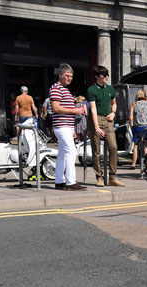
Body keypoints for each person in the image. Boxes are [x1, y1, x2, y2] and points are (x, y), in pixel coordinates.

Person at [49, 63, 86, 191]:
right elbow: (56, 108)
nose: (69, 78)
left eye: (71, 76)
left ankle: (59, 181)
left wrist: (72, 129)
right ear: (60, 75)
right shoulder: (56, 88)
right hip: (61, 126)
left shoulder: (64, 89)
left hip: (66, 126)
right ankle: (70, 182)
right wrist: (75, 111)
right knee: (71, 151)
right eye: (67, 76)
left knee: (63, 153)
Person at [87, 65, 123, 187]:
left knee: (113, 147)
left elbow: (114, 104)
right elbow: (92, 109)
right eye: (103, 75)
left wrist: (113, 113)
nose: (106, 77)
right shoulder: (91, 90)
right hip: (96, 119)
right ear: (97, 76)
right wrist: (96, 127)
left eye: (107, 75)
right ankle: (99, 177)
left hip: (108, 119)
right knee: (96, 151)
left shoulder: (110, 89)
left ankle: (113, 177)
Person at [128, 90, 147, 168]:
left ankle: (133, 164)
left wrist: (131, 125)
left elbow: (131, 117)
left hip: (137, 127)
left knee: (136, 146)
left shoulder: (134, 104)